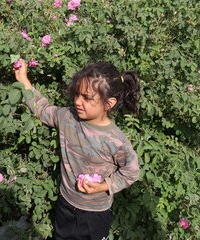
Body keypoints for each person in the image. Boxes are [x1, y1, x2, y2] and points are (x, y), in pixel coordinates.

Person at [14, 59, 140, 240]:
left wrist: (104, 186)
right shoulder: (67, 117)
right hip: (66, 203)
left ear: (109, 103)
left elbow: (131, 172)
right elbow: (42, 109)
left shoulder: (116, 142)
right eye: (77, 94)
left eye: (87, 98)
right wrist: (23, 80)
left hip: (94, 214)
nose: (78, 102)